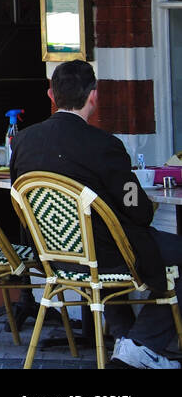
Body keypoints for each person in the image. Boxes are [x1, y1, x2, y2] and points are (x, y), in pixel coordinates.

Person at [10, 60, 181, 370]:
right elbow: (139, 211)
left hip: (54, 256)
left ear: (51, 95)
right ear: (93, 96)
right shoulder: (105, 145)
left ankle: (125, 338)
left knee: (108, 242)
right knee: (135, 245)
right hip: (106, 255)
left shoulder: (22, 142)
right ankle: (140, 344)